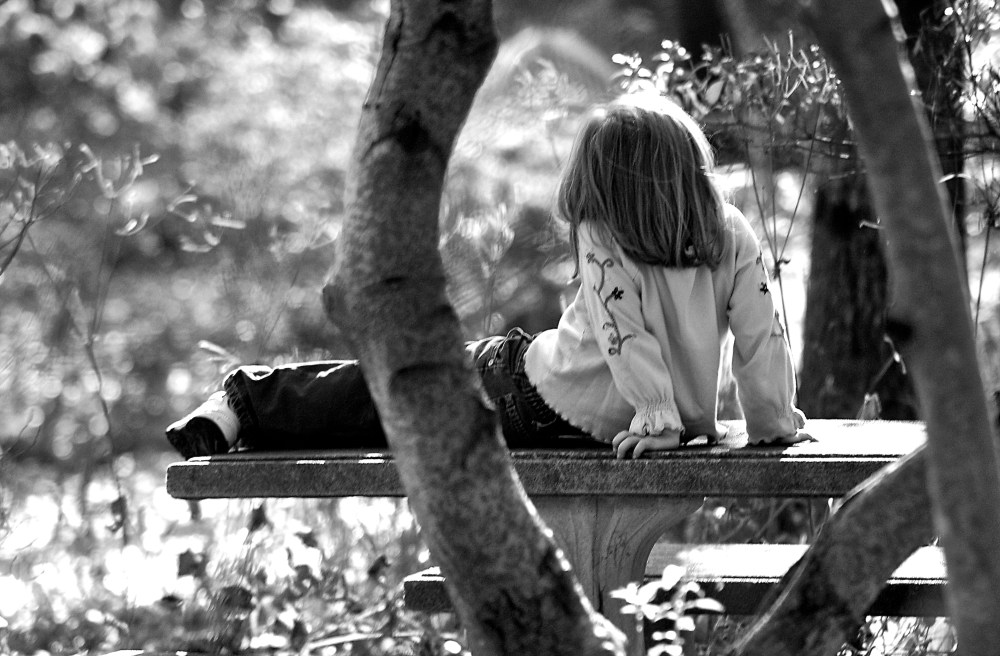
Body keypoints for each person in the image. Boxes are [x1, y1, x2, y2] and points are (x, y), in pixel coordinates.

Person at [166, 93, 809, 461]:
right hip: (530, 391)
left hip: (547, 402)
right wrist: (763, 418)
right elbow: (750, 335)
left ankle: (246, 401)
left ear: (604, 183)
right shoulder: (719, 233)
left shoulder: (628, 231)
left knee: (390, 392)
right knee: (386, 393)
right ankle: (245, 400)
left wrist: (672, 420)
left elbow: (664, 334)